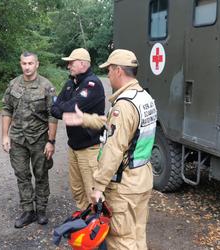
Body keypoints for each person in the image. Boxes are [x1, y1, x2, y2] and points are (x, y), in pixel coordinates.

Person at [63, 49, 157, 250]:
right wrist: (85, 119)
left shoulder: (123, 105)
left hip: (126, 185)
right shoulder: (143, 98)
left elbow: (114, 150)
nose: (108, 75)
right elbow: (116, 125)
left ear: (118, 71)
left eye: (109, 70)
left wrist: (97, 188)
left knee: (121, 240)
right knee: (136, 234)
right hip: (142, 178)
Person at [1, 51, 58, 228]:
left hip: (40, 139)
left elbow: (53, 115)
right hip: (18, 139)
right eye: (24, 63)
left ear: (37, 64)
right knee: (22, 174)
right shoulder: (14, 84)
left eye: (30, 63)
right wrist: (4, 135)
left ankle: (41, 209)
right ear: (21, 64)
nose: (27, 67)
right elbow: (6, 109)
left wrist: (51, 141)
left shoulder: (46, 86)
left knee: (41, 174)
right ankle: (28, 211)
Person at [51, 48, 105, 210]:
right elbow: (54, 108)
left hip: (89, 148)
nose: (68, 66)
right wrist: (64, 107)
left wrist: (63, 107)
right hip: (73, 146)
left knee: (92, 190)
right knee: (77, 189)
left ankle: (96, 226)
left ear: (82, 64)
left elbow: (67, 107)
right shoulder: (70, 83)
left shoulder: (92, 84)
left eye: (71, 63)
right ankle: (84, 219)